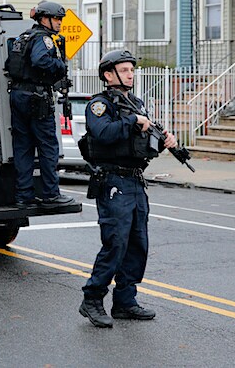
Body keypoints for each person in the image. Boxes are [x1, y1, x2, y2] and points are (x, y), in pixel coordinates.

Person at [78, 49, 177, 328]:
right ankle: (92, 299)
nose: (130, 74)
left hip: (135, 181)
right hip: (112, 182)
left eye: (132, 70)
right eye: (124, 70)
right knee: (116, 242)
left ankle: (125, 301)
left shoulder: (136, 103)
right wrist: (133, 121)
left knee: (137, 243)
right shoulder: (99, 105)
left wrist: (164, 140)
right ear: (108, 75)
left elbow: (143, 145)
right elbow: (103, 133)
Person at [5, 0, 77, 209]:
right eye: (56, 18)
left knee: (24, 148)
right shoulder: (43, 40)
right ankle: (51, 195)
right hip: (36, 98)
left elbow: (10, 65)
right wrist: (60, 66)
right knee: (47, 147)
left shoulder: (22, 37)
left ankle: (23, 196)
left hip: (19, 96)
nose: (60, 23)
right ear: (44, 19)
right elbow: (40, 61)